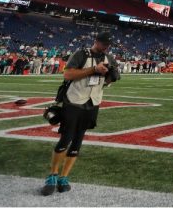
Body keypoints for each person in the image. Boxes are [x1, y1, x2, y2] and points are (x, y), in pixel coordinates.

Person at [41, 32, 119, 196]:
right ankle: (52, 176)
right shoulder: (81, 54)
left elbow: (109, 81)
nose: (105, 47)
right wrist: (93, 69)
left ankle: (64, 177)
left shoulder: (109, 58)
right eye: (103, 43)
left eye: (108, 44)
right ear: (96, 41)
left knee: (77, 142)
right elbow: (68, 74)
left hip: (93, 102)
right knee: (66, 138)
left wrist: (110, 75)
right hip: (74, 101)